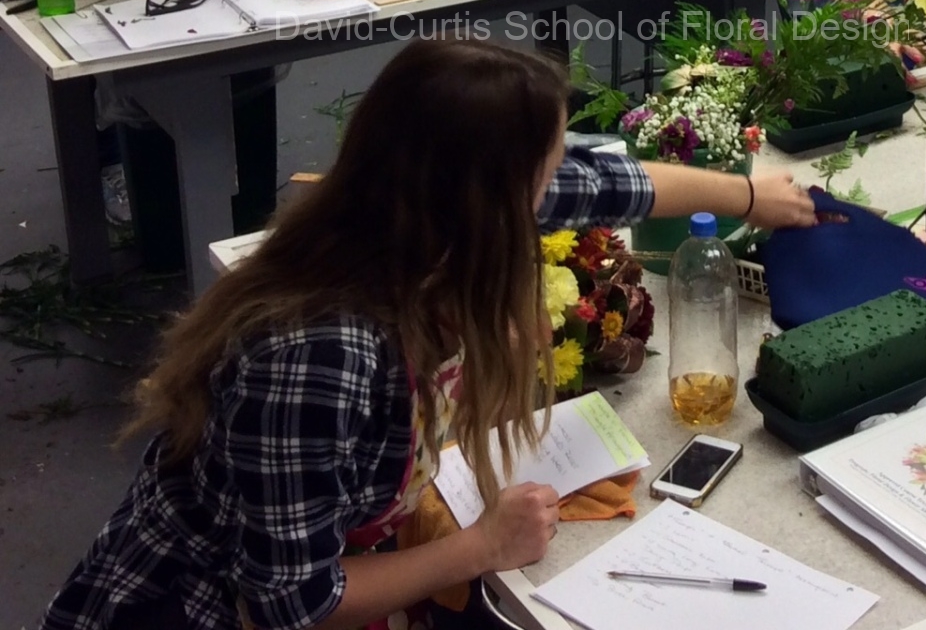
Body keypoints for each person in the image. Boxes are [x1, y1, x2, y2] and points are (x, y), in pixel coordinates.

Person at [40, 39, 816, 630]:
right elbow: (294, 604)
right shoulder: (322, 355)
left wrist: (751, 197)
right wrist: (483, 546)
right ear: (489, 198)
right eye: (545, 170)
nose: (558, 185)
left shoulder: (407, 211)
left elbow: (616, 184)